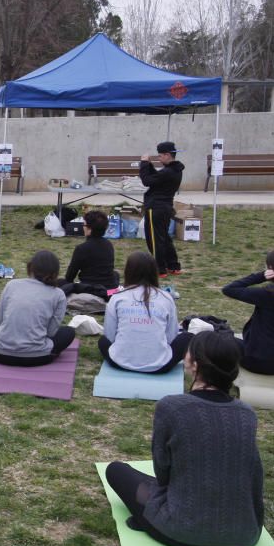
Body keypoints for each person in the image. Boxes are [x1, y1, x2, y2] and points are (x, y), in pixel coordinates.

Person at [105, 331, 263, 546]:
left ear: (195, 365)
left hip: (182, 531)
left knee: (117, 471)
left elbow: (163, 472)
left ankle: (150, 521)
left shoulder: (172, 407)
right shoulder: (247, 413)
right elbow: (253, 475)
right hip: (244, 534)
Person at [99, 251, 192, 373]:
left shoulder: (117, 297)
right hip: (160, 366)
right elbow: (171, 337)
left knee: (102, 341)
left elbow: (109, 335)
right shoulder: (166, 298)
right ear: (154, 272)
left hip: (119, 362)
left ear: (128, 271)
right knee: (187, 337)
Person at [0, 250, 76, 366]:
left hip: (0, 354)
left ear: (30, 267)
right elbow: (50, 333)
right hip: (37, 357)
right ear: (55, 272)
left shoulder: (12, 285)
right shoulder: (58, 294)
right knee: (69, 332)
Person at [222, 249, 274, 374]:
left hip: (259, 362)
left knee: (219, 339)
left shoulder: (267, 295)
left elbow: (229, 289)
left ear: (271, 269)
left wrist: (260, 276)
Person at [140, 142, 184, 276]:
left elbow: (147, 181)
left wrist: (143, 164)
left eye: (160, 156)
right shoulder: (174, 170)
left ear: (167, 155)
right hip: (165, 207)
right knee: (164, 237)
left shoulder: (168, 172)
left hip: (156, 208)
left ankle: (159, 268)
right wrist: (150, 165)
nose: (159, 159)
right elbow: (156, 178)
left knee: (154, 239)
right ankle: (173, 265)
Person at [58, 210, 118, 299]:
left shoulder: (82, 248)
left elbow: (69, 277)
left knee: (60, 282)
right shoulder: (109, 244)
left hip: (90, 289)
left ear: (90, 229)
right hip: (110, 290)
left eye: (84, 225)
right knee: (115, 274)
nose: (83, 227)